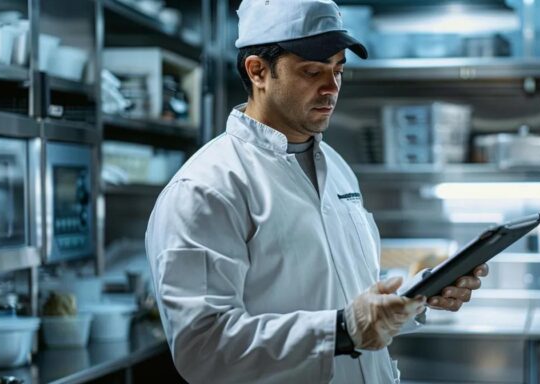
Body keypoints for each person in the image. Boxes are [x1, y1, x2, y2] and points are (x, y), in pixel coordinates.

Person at [145, 0, 488, 382]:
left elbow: (346, 295)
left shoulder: (336, 168)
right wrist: (342, 330)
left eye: (339, 69)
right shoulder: (207, 189)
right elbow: (202, 349)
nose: (332, 87)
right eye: (312, 71)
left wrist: (415, 296)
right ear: (258, 71)